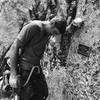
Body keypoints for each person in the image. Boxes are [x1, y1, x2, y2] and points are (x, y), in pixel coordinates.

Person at [5, 16, 67, 100]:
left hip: (35, 69)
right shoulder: (34, 27)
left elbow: (62, 32)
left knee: (42, 93)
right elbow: (15, 46)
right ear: (52, 24)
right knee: (24, 97)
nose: (53, 35)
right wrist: (13, 75)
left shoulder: (47, 32)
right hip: (24, 69)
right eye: (54, 32)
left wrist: (73, 25)